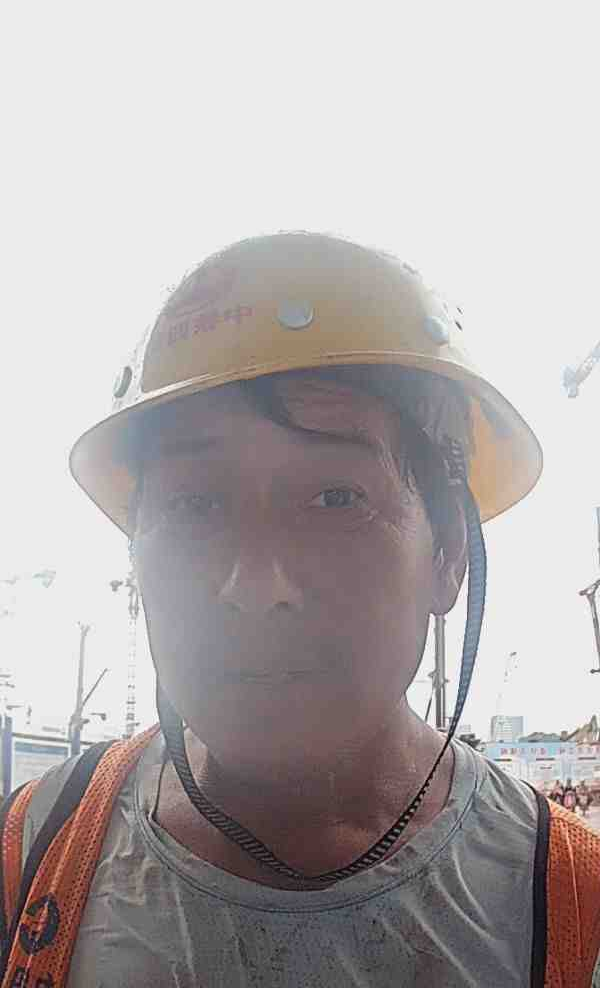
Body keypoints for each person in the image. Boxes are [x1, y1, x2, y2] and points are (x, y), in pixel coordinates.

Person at [1, 233, 600, 987]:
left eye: (335, 498)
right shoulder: (33, 851)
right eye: (194, 505)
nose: (254, 585)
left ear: (448, 554)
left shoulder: (572, 901)